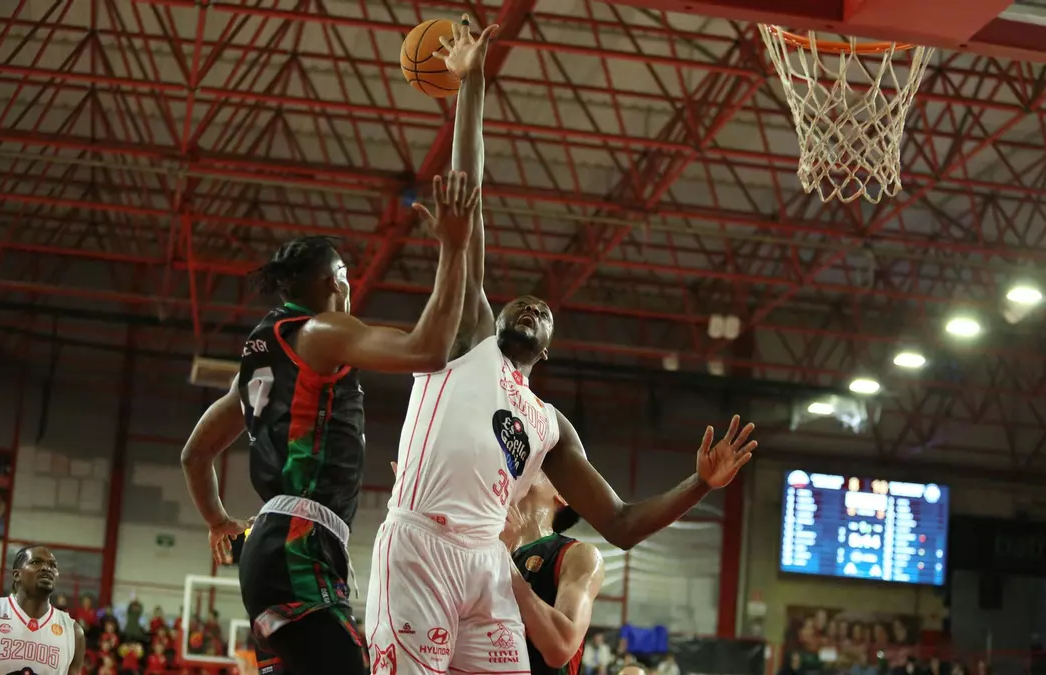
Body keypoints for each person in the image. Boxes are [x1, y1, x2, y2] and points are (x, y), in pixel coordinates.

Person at [364, 15, 758, 675]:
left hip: (487, 561)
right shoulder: (467, 339)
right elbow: (472, 197)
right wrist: (471, 85)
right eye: (523, 303)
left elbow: (622, 522)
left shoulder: (549, 425)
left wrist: (701, 482)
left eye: (546, 312)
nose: (536, 306)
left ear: (544, 351)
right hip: (421, 542)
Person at [180, 170, 481, 674]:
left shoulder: (260, 358)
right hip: (298, 546)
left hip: (275, 545)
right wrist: (454, 247)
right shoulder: (320, 331)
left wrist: (217, 520)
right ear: (331, 281)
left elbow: (195, 454)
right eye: (345, 273)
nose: (349, 283)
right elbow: (428, 349)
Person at [505, 472, 603, 675]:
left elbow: (561, 647)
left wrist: (502, 561)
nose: (529, 464)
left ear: (563, 495)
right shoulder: (480, 548)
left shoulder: (577, 554)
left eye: (542, 466)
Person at [0, 545, 85, 674]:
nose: (47, 568)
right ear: (17, 575)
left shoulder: (73, 632)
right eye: (36, 562)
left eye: (53, 565)